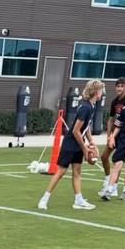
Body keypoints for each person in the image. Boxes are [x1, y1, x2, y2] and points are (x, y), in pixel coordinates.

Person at [38, 79, 104, 211]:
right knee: (61, 171)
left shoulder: (92, 106)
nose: (102, 93)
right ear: (96, 91)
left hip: (79, 143)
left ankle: (78, 200)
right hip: (70, 143)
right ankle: (44, 199)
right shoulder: (85, 107)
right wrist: (85, 147)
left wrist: (91, 141)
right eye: (101, 90)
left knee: (77, 171)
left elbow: (86, 127)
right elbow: (75, 130)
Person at [99, 77, 125, 197]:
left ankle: (114, 187)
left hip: (124, 136)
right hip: (114, 134)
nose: (119, 88)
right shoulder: (114, 102)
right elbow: (111, 119)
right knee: (104, 157)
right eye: (118, 86)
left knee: (118, 162)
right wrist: (109, 136)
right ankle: (108, 180)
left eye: (122, 86)